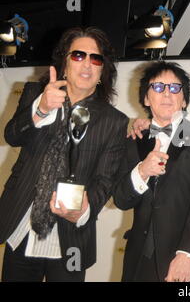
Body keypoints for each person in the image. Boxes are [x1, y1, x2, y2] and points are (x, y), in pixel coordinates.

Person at [0, 27, 128, 281]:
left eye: (96, 58)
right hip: (21, 227)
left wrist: (84, 209)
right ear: (64, 63)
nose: (87, 64)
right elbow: (12, 135)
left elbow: (105, 180)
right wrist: (42, 109)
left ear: (103, 71)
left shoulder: (114, 122)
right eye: (78, 55)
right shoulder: (36, 95)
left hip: (70, 238)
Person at [113, 61, 190, 282]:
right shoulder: (133, 141)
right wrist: (142, 171)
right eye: (158, 87)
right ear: (147, 98)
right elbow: (121, 200)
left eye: (175, 88)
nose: (167, 93)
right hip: (138, 260)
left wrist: (188, 254)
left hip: (182, 260)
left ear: (185, 99)